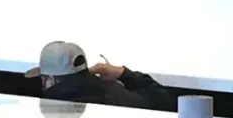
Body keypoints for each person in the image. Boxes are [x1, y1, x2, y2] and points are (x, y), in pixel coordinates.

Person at [28, 37, 174, 110]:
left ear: (50, 80)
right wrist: (123, 73)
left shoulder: (45, 110)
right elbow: (164, 101)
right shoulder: (113, 93)